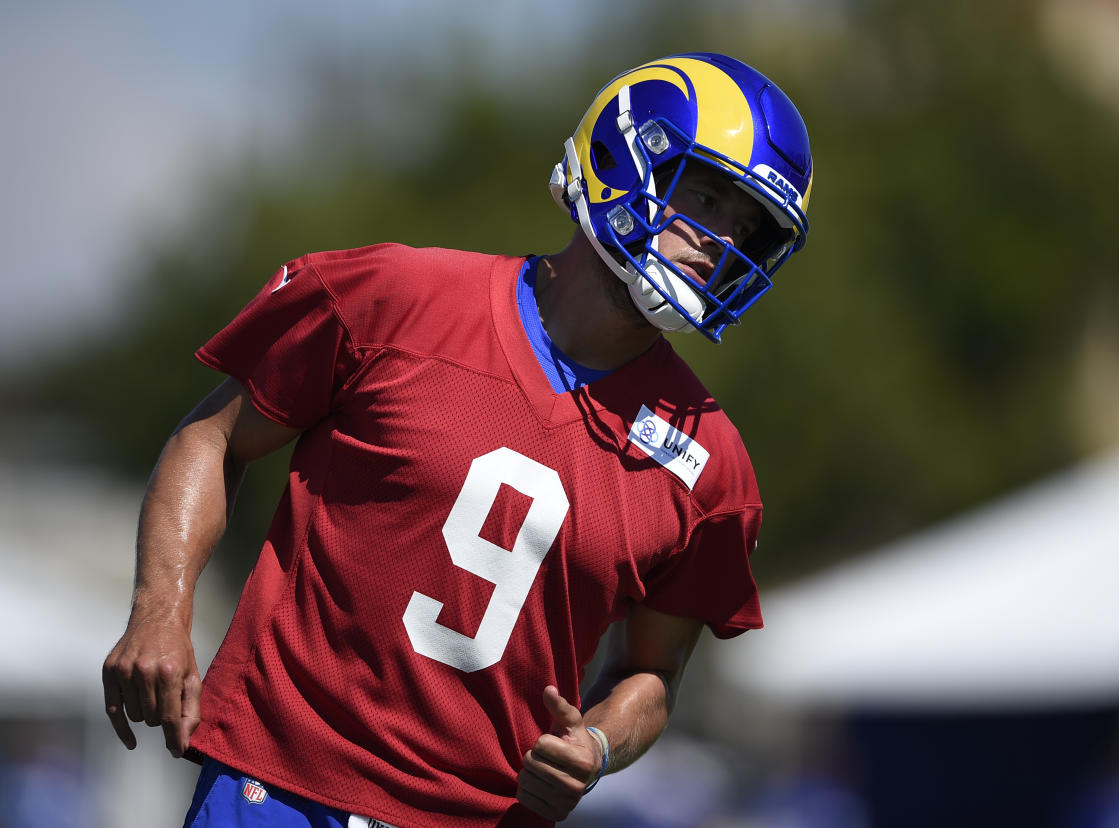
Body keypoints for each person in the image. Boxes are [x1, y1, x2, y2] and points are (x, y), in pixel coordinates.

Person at [102, 51, 812, 827]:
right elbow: (213, 438)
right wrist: (160, 611)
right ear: (622, 156)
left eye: (747, 227)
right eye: (706, 198)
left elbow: (650, 672)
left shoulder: (708, 463)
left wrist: (600, 745)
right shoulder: (396, 297)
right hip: (282, 786)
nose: (722, 241)